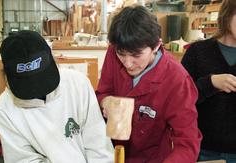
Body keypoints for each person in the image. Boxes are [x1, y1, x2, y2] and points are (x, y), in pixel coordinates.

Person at [96, 5, 202, 163]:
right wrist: (106, 102)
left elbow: (187, 143)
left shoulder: (177, 80)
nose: (128, 63)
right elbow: (102, 93)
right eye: (121, 54)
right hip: (110, 154)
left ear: (156, 46)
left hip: (153, 159)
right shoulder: (115, 51)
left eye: (136, 55)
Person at [0, 30, 114, 163]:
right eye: (29, 86)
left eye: (42, 80)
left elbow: (98, 144)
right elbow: (23, 160)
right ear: (7, 77)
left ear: (54, 60)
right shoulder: (4, 109)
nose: (38, 92)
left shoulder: (78, 84)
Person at [181, 0, 236, 162]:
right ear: (226, 16)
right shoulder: (197, 52)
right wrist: (209, 84)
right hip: (203, 150)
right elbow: (178, 100)